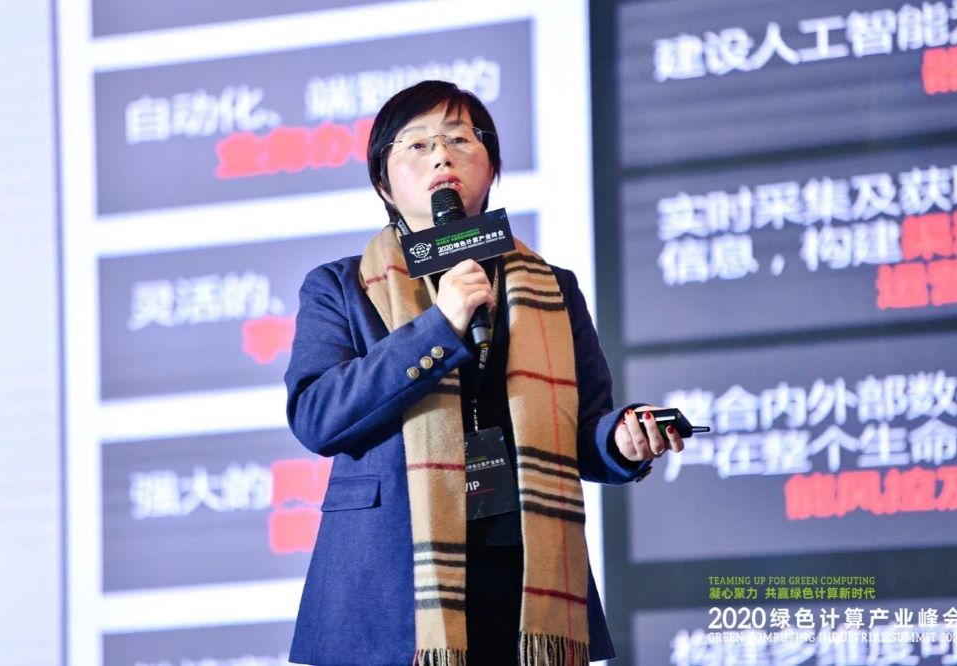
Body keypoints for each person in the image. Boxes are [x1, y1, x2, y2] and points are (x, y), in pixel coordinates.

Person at [283, 80, 684, 666]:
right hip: (386, 590)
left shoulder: (551, 288)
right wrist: (440, 326)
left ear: (491, 167)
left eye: (460, 140)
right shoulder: (339, 288)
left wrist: (621, 441)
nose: (441, 157)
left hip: (519, 584)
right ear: (383, 183)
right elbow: (317, 417)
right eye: (417, 145)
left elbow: (585, 430)